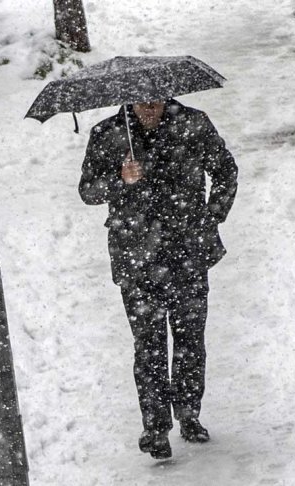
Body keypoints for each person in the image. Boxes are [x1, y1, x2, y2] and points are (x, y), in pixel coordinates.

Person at [79, 99, 238, 459]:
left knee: (189, 340)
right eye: (141, 103)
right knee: (147, 345)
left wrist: (211, 217)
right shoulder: (107, 134)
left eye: (155, 101)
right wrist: (119, 178)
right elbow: (87, 191)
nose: (148, 109)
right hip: (136, 256)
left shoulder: (193, 124)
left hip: (188, 251)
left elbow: (226, 170)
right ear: (129, 101)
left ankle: (188, 414)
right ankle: (155, 427)